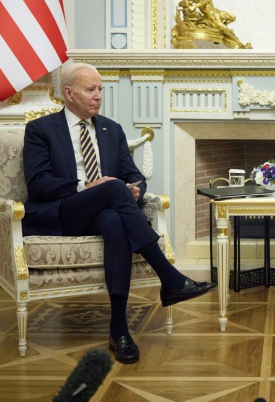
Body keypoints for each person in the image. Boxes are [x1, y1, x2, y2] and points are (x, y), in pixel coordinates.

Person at [22, 62, 215, 364]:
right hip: (62, 211)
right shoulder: (41, 129)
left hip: (104, 213)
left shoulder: (112, 129)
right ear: (69, 93)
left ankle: (119, 330)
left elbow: (134, 175)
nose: (98, 95)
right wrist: (85, 185)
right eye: (91, 89)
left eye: (101, 89)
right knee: (112, 188)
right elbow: (38, 183)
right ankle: (169, 277)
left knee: (114, 218)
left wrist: (135, 189)